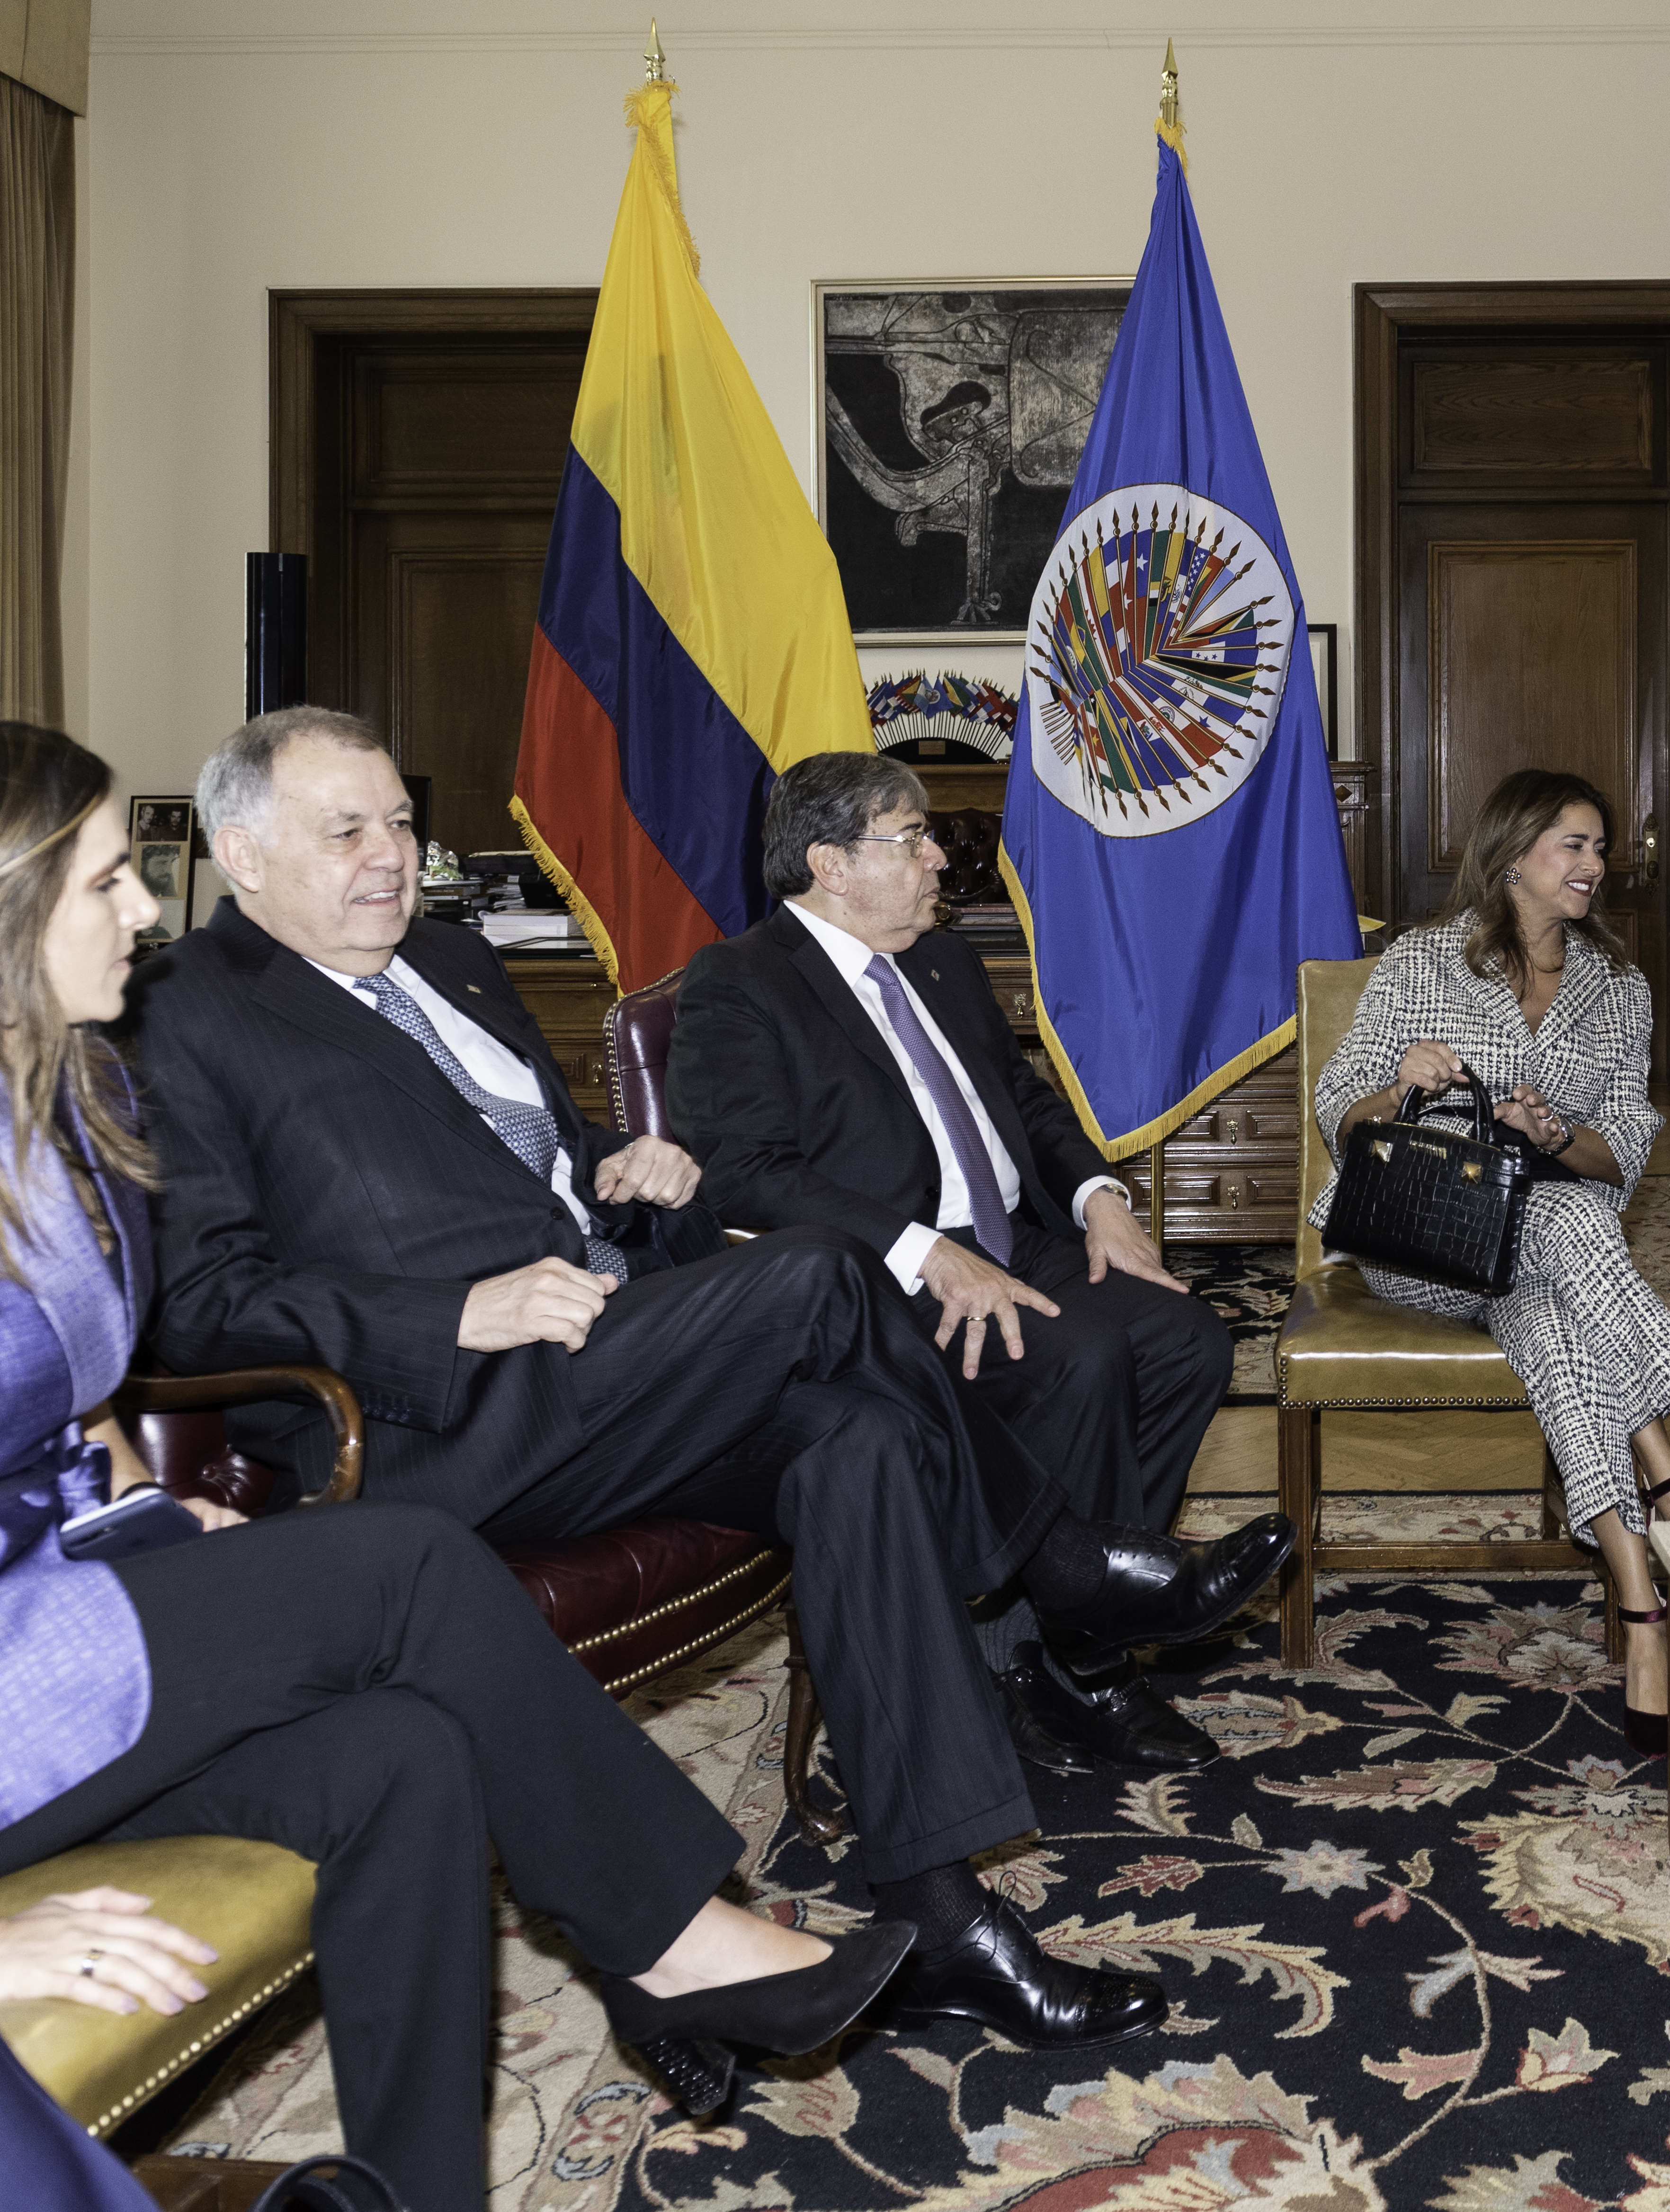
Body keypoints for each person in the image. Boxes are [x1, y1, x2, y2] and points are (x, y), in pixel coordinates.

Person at [119, 709, 1285, 2057]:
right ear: (241, 853)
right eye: (347, 831)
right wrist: (454, 1314)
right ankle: (1064, 1559)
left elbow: (535, 1163)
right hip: (443, 1420)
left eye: (401, 824)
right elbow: (197, 1308)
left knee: (855, 1441)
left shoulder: (449, 960)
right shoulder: (184, 1013)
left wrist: (629, 1169)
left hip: (610, 1355)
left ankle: (940, 1905)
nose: (392, 858)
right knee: (816, 1273)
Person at [0, 720, 911, 2207]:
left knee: (407, 1758)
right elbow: (211, 1308)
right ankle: (675, 1939)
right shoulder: (184, 1029)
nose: (148, 909)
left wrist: (162, 1515)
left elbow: (75, 1402)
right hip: (23, 1673)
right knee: (410, 1564)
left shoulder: (60, 1108)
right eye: (110, 879)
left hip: (84, 1581)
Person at [665, 752, 1281, 1779]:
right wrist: (925, 1251)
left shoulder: (943, 965)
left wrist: (1101, 1202)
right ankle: (1063, 1669)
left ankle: (1069, 1644)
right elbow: (744, 1175)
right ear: (829, 863)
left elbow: (1026, 1105)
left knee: (1184, 1337)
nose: (939, 861)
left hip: (1010, 1237)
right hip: (878, 1280)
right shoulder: (740, 985)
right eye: (909, 838)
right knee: (1082, 1357)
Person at [1313, 770, 1670, 1749]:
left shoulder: (1618, 989)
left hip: (1541, 1254)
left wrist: (1548, 1133)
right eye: (1570, 845)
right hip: (1425, 1242)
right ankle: (1666, 1463)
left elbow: (1618, 1152)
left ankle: (1638, 1603)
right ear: (1511, 858)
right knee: (1573, 1233)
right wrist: (1396, 1080)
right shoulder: (1420, 961)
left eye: (1597, 848)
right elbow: (1338, 1109)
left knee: (1559, 1318)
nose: (1593, 866)